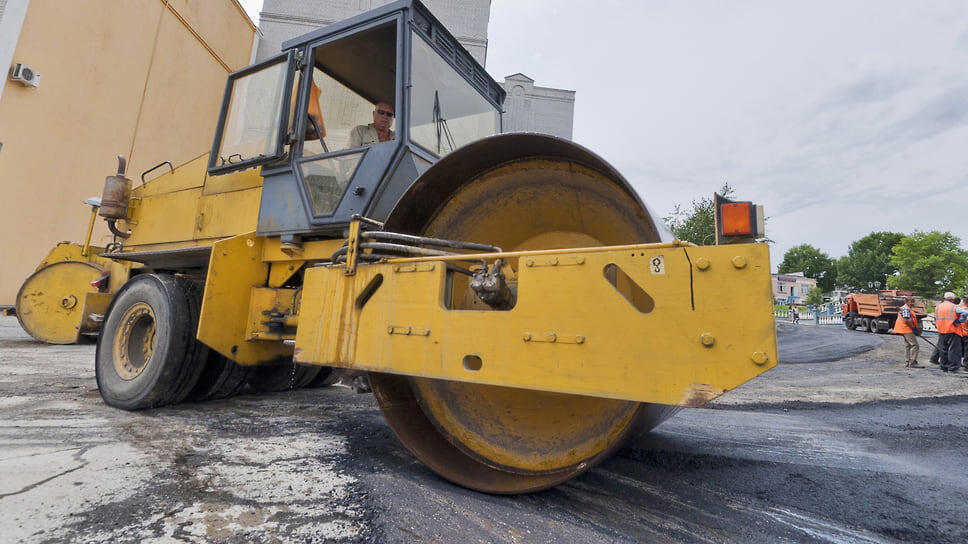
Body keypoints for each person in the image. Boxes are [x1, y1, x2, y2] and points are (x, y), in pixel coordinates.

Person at [932, 292, 964, 373]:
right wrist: (958, 321)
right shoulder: (954, 307)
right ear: (952, 299)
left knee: (943, 349)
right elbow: (966, 312)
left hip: (942, 330)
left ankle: (943, 366)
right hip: (952, 330)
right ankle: (953, 368)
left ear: (944, 298)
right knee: (954, 350)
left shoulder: (938, 307)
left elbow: (935, 318)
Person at [893, 297, 921, 368]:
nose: (913, 303)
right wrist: (913, 328)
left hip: (904, 329)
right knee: (915, 345)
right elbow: (906, 320)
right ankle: (912, 362)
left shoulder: (905, 308)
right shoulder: (906, 309)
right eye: (911, 301)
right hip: (906, 329)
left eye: (913, 301)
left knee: (908, 345)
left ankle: (908, 361)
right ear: (907, 302)